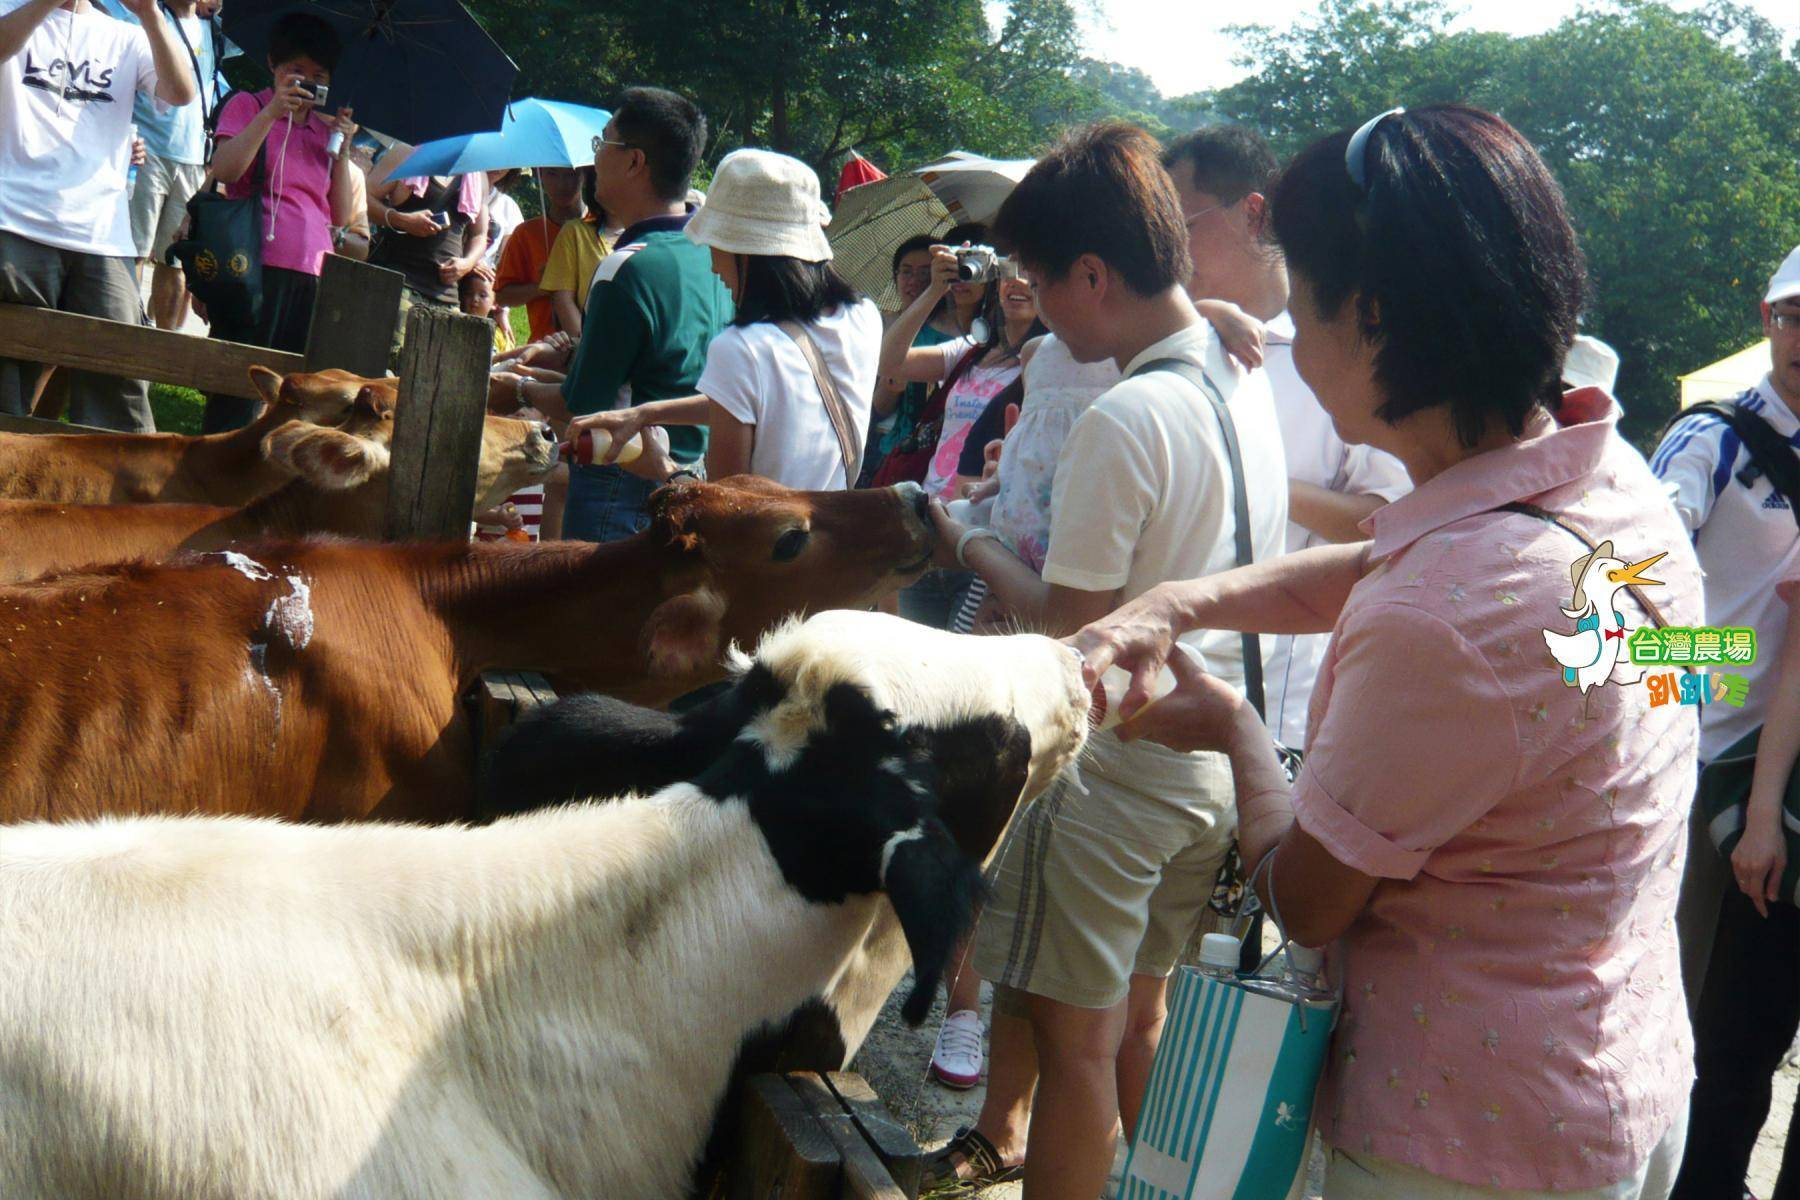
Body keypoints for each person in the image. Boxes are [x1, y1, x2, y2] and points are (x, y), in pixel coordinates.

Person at [1074, 105, 1696, 1200]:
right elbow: (1403, 572)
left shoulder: (1446, 614)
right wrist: (1180, 599)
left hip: (1462, 1140)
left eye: (1301, 308)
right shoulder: (1619, 489)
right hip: (1624, 1070)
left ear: (1368, 316)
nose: (1289, 347)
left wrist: (1231, 729)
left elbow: (1308, 902)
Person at [916, 122, 1288, 1198]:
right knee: (1143, 1021)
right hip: (1206, 762)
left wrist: (966, 538)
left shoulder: (1126, 418)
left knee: (1074, 1050)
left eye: (1040, 278)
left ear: (1092, 272)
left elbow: (1067, 636)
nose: (1029, 300)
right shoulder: (1239, 367)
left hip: (1115, 773)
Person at [1164, 123, 1412, 750]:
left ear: (1253, 215)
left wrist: (1257, 476)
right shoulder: (1167, 350)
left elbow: (1385, 523)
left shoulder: (1343, 350)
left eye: (1182, 226)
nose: (1167, 250)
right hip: (1161, 686)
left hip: (1278, 710)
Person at [1658, 247, 1800, 1200]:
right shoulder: (1712, 437)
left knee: (1740, 1019)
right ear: (1766, 318)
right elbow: (1612, 620)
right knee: (1663, 1001)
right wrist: (1722, 664)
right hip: (1683, 756)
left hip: (1773, 769)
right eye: (1795, 318)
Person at [564, 147, 880, 492]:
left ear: (744, 251)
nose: (714, 266)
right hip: (830, 536)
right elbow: (769, 405)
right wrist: (648, 413)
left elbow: (725, 509)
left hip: (764, 545)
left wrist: (664, 469)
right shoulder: (863, 316)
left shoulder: (743, 348)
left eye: (715, 247)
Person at [494, 87, 725, 542]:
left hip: (618, 480)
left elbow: (585, 404)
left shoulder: (626, 265)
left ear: (634, 162)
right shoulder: (709, 257)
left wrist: (517, 386)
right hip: (686, 470)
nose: (593, 158)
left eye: (602, 144)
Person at [0, 0, 196, 430]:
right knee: (7, 372)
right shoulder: (9, 11)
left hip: (102, 234)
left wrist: (148, 13)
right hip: (12, 221)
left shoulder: (126, 34)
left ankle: (117, 494)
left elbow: (181, 92)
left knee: (119, 378)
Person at [201, 11, 356, 432]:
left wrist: (342, 150)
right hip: (254, 267)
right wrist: (271, 112)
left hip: (312, 274)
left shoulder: (324, 132)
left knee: (294, 395)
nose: (305, 82)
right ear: (273, 64)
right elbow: (227, 170)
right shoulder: (247, 106)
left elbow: (341, 214)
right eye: (296, 71)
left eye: (317, 75)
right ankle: (218, 471)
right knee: (239, 387)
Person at [95, 0, 233, 331]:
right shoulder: (141, 15)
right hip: (147, 150)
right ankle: (127, 331)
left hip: (193, 157)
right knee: (136, 250)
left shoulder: (215, 29)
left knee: (175, 259)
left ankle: (165, 344)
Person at [366, 154, 489, 357]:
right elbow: (364, 197)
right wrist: (402, 220)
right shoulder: (406, 155)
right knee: (389, 366)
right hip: (401, 285)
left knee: (441, 372)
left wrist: (467, 263)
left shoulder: (476, 173)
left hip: (447, 296)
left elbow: (479, 234)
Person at [493, 164, 584, 343]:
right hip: (544, 346)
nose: (562, 184)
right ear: (540, 175)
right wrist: (540, 287)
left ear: (585, 175)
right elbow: (502, 295)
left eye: (571, 175)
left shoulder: (603, 230)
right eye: (552, 174)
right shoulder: (526, 234)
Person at [539, 167, 613, 338]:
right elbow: (563, 300)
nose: (562, 184)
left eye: (571, 176)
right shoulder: (575, 232)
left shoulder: (650, 232)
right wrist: (589, 347)